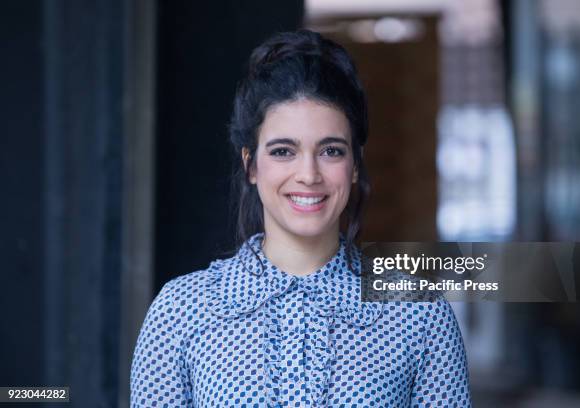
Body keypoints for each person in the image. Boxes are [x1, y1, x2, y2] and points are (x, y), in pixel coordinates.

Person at [130, 29, 471, 407]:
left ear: (355, 165)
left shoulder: (420, 313)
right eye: (282, 151)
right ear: (251, 165)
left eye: (330, 151)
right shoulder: (181, 310)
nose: (308, 175)